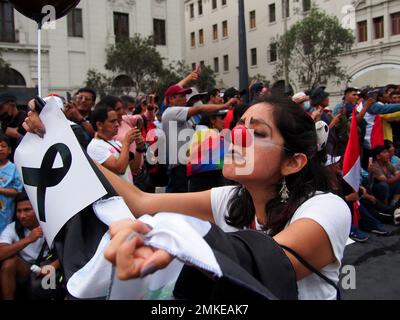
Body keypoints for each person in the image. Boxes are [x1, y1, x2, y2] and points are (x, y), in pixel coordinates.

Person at [23, 95, 351, 299]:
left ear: (293, 162)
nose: (236, 136)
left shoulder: (327, 208)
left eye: (258, 133)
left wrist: (176, 240)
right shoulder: (232, 198)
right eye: (239, 124)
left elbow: (266, 264)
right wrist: (67, 145)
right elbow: (141, 203)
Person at [161, 84, 238, 193]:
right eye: (182, 96)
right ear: (171, 99)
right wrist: (224, 106)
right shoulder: (171, 112)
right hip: (179, 168)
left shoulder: (180, 116)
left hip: (186, 167)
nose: (185, 99)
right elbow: (199, 109)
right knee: (177, 203)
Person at [0, 191, 59, 300]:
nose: (22, 215)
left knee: (51, 279)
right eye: (19, 211)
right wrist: (28, 239)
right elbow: (1, 253)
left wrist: (54, 265)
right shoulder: (12, 228)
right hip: (25, 267)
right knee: (8, 264)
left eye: (27, 210)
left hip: (47, 266)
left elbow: (68, 251)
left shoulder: (51, 226)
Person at [87, 104, 143, 184]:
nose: (117, 124)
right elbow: (120, 169)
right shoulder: (95, 146)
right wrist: (126, 142)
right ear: (99, 125)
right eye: (112, 121)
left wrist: (139, 149)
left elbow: (132, 168)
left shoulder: (116, 143)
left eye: (117, 120)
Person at [0, 134, 23, 234]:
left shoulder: (14, 168)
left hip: (6, 212)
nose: (0, 149)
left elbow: (18, 190)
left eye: (3, 146)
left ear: (9, 150)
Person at [0, 93, 27, 161]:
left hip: (20, 159)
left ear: (11, 105)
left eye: (1, 107)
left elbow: (32, 142)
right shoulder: (5, 121)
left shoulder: (24, 118)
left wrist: (17, 135)